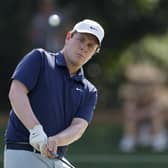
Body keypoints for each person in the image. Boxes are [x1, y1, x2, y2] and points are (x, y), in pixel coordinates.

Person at [4, 19, 104, 168]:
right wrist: (35, 130)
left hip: (55, 157)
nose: (84, 47)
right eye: (81, 40)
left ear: (94, 52)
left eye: (90, 45)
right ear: (69, 37)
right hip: (23, 150)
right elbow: (16, 92)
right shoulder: (40, 59)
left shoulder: (89, 91)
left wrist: (56, 140)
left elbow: (78, 127)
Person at [119, 63, 168, 152]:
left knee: (157, 117)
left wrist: (141, 113)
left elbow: (157, 111)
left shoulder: (160, 96)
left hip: (153, 130)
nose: (143, 87)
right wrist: (145, 113)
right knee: (131, 120)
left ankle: (157, 139)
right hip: (137, 131)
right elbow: (129, 113)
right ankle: (130, 139)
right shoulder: (131, 96)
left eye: (147, 84)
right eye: (140, 84)